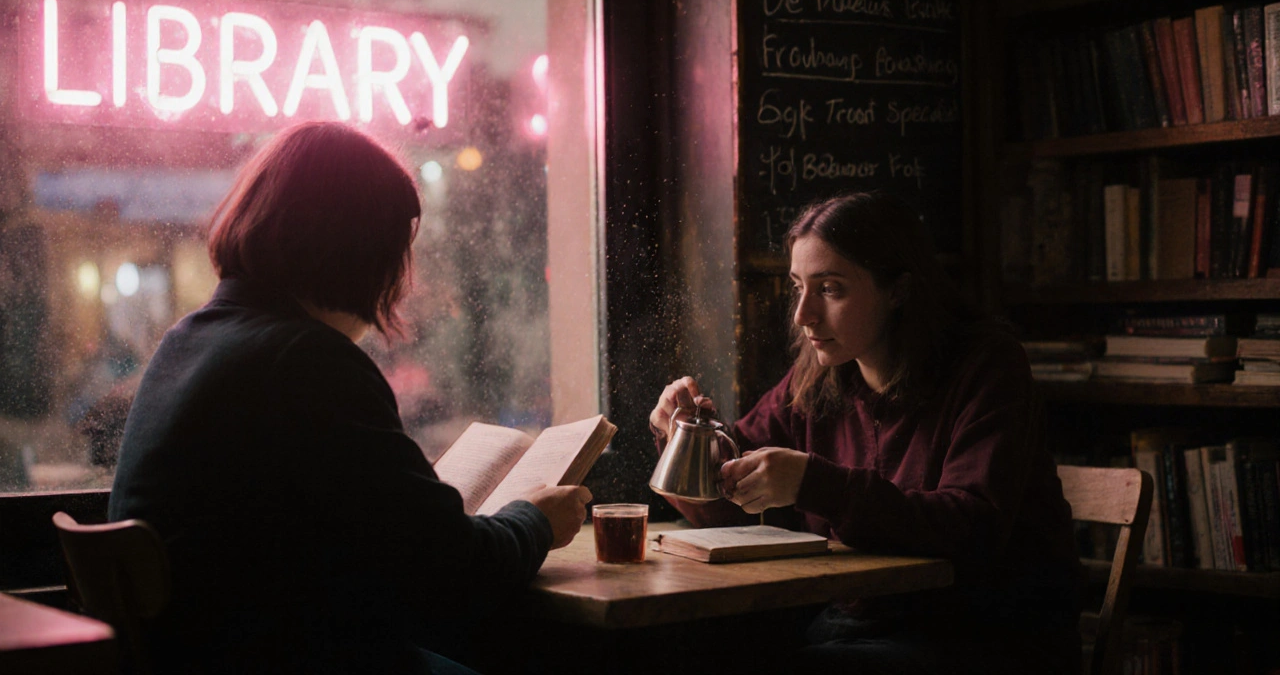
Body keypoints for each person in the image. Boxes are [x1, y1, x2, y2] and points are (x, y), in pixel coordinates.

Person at [109, 121, 591, 675]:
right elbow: (451, 575)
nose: (402, 280)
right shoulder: (304, 360)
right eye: (397, 252)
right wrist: (533, 520)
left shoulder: (189, 341)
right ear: (361, 251)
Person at [650, 192, 1081, 675]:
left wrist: (813, 482)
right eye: (798, 287)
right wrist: (686, 435)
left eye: (830, 289)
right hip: (856, 622)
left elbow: (973, 528)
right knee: (670, 649)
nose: (803, 314)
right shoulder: (815, 378)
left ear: (897, 291)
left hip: (980, 635)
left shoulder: (987, 367)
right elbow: (727, 502)